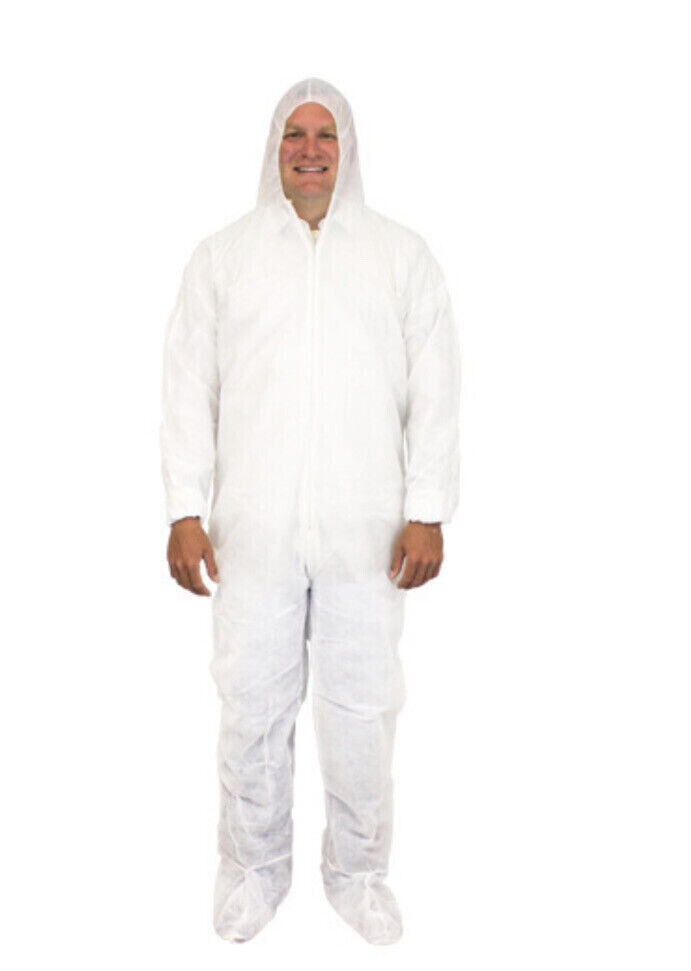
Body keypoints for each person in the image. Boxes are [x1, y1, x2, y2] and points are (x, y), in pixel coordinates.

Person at [160, 78, 460, 945]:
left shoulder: (400, 257)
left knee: (362, 707)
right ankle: (253, 868)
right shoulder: (224, 257)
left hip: (370, 531)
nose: (310, 149)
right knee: (251, 701)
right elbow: (188, 386)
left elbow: (435, 388)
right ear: (273, 147)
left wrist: (427, 507)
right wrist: (184, 508)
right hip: (250, 529)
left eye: (325, 133)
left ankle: (357, 873)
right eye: (294, 133)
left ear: (347, 147)